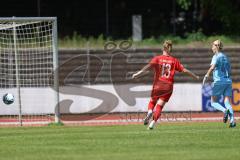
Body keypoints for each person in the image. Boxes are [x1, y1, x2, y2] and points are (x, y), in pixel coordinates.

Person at [132, 40, 199, 130]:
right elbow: (185, 70)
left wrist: (137, 74)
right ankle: (152, 123)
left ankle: (150, 111)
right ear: (170, 49)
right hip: (168, 86)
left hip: (158, 84)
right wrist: (195, 76)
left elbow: (147, 67)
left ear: (163, 48)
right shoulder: (174, 60)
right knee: (160, 106)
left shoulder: (157, 58)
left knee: (152, 101)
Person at [203, 39, 236, 128]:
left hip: (219, 82)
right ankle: (232, 121)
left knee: (213, 102)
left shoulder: (216, 56)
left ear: (217, 46)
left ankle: (224, 111)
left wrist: (207, 75)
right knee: (227, 102)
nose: (212, 46)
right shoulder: (225, 57)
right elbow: (229, 69)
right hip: (228, 81)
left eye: (213, 45)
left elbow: (213, 67)